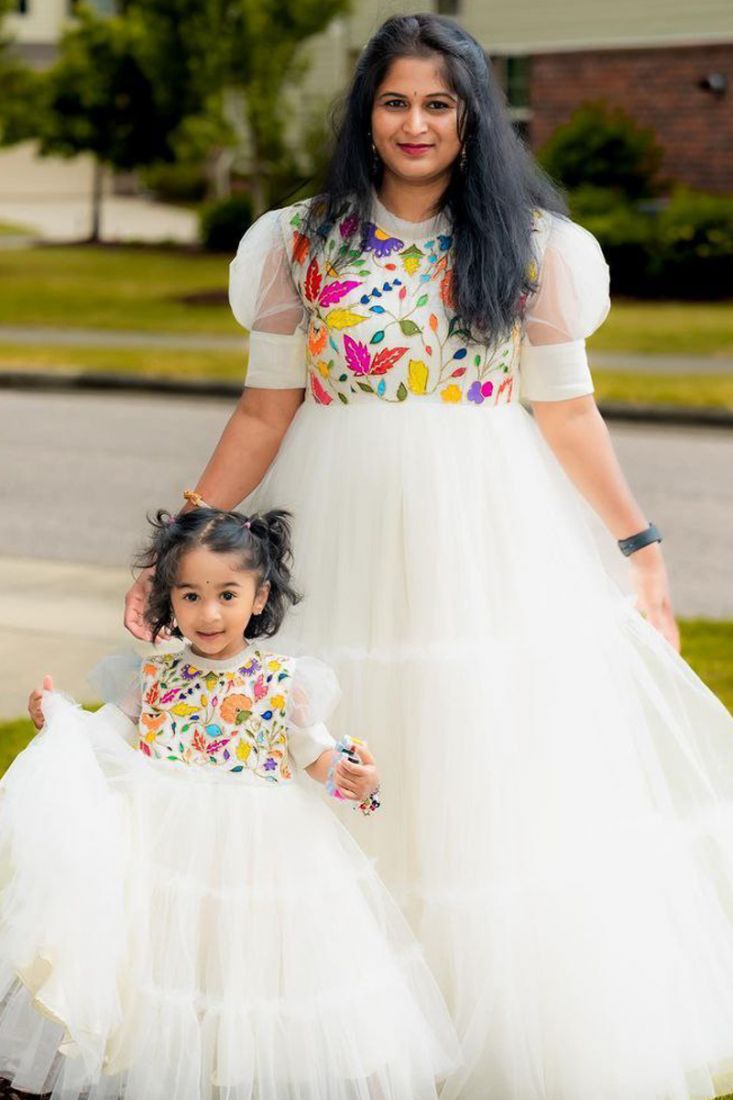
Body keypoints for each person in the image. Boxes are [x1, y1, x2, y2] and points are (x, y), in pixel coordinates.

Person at [123, 13, 733, 1100]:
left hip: (484, 531)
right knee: (319, 752)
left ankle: (489, 1039)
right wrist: (174, 542)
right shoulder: (298, 241)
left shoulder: (534, 245)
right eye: (395, 100)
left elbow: (569, 413)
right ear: (366, 112)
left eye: (438, 103)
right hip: (338, 512)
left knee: (484, 768)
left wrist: (639, 548)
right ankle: (344, 1034)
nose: (415, 123)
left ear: (471, 117)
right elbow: (266, 412)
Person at [0, 505, 461, 1100]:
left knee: (241, 983)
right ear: (169, 598)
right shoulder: (156, 678)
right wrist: (58, 720)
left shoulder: (281, 681)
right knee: (162, 980)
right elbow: (105, 739)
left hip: (256, 860)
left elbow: (317, 757)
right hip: (162, 860)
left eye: (227, 593)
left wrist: (356, 780)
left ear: (260, 596)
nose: (209, 612)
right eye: (190, 595)